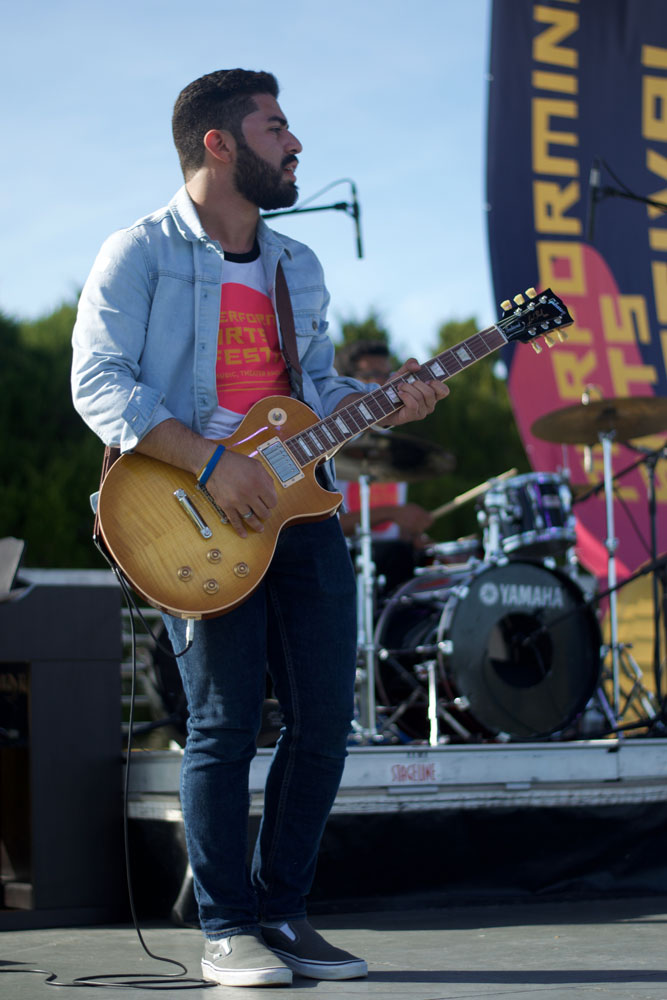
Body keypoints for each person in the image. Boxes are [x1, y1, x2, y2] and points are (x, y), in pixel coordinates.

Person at [71, 69, 447, 989]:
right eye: (276, 126)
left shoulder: (296, 266)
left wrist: (389, 403)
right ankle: (224, 929)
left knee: (324, 724)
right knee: (225, 722)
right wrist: (209, 460)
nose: (296, 144)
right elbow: (99, 381)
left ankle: (280, 913)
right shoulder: (141, 253)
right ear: (218, 143)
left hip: (300, 510)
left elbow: (315, 396)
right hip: (189, 514)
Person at [335, 340, 436, 591]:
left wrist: (411, 535)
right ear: (345, 382)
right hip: (346, 562)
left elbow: (393, 533)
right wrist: (393, 513)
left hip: (387, 562)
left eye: (385, 375)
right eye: (369, 376)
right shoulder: (331, 444)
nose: (380, 383)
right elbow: (330, 527)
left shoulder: (391, 448)